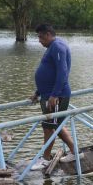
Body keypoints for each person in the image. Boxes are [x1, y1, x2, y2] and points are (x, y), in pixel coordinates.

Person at [29, 23, 76, 165]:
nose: (39, 40)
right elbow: (49, 72)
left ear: (48, 34)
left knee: (49, 128)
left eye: (41, 37)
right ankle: (75, 152)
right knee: (56, 125)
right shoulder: (52, 47)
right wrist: (38, 92)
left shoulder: (57, 47)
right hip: (49, 95)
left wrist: (55, 95)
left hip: (56, 97)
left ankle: (45, 159)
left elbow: (63, 72)